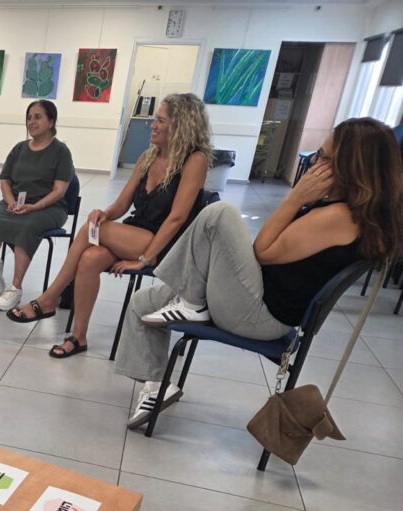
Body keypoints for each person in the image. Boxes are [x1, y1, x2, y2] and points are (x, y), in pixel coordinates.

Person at [117, 117, 403, 429]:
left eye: (323, 157)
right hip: (253, 298)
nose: (313, 163)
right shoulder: (344, 211)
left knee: (220, 213)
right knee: (143, 302)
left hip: (260, 316)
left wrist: (295, 198)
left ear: (349, 167)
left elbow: (263, 252)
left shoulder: (339, 217)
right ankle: (157, 385)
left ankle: (192, 301)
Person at [8, 93, 211, 361]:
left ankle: (49, 298)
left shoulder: (195, 160)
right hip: (136, 233)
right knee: (90, 257)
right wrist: (104, 213)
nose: (152, 125)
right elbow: (122, 204)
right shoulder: (149, 156)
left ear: (181, 125)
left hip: (166, 244)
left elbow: (177, 218)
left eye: (160, 120)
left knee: (95, 230)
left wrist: (144, 260)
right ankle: (78, 337)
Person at [0, 100, 74, 312]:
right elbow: (5, 180)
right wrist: (10, 201)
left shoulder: (61, 151)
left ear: (51, 122)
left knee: (27, 226)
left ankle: (15, 288)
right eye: (29, 118)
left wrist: (35, 207)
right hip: (16, 203)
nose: (31, 122)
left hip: (49, 207)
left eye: (38, 117)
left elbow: (59, 190)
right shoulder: (19, 149)